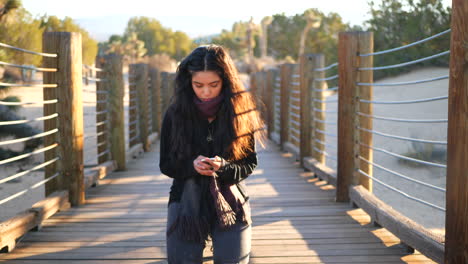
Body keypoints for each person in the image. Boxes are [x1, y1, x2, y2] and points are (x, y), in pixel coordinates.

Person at [159, 44, 265, 264]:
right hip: (186, 200)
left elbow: (249, 164)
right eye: (198, 85)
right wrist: (192, 166)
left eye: (213, 85)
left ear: (225, 81)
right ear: (188, 82)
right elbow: (166, 164)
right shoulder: (175, 112)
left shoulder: (240, 111)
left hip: (231, 201)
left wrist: (224, 167)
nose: (206, 92)